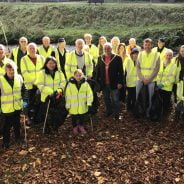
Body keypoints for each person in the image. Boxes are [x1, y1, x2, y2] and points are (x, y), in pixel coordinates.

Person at [0, 62, 28, 148]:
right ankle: (6, 142)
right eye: (9, 69)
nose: (11, 71)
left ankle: (18, 138)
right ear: (5, 70)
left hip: (17, 106)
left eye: (13, 69)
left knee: (17, 124)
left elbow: (24, 90)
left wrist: (25, 100)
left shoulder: (19, 78)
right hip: (6, 108)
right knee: (6, 126)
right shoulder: (1, 80)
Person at [35, 56, 66, 133]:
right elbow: (40, 85)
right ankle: (48, 127)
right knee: (48, 113)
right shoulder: (42, 73)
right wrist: (51, 92)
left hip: (58, 95)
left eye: (54, 63)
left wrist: (58, 91)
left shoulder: (59, 72)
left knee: (61, 111)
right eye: (50, 63)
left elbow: (63, 82)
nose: (52, 65)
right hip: (47, 97)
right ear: (46, 64)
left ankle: (56, 126)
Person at [96, 42, 124, 119]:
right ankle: (109, 111)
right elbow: (98, 71)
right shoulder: (100, 58)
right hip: (104, 84)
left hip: (114, 83)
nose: (107, 50)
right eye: (105, 48)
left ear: (111, 49)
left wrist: (120, 82)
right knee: (106, 99)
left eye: (108, 48)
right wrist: (97, 83)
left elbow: (121, 72)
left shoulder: (117, 58)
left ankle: (117, 114)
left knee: (115, 99)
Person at [20, 43, 45, 125]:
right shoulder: (23, 59)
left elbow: (44, 71)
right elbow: (25, 73)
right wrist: (36, 81)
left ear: (36, 49)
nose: (32, 49)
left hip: (41, 85)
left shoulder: (41, 58)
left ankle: (38, 118)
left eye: (33, 48)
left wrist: (40, 82)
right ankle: (29, 118)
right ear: (27, 49)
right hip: (29, 85)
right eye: (30, 48)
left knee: (40, 102)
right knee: (29, 102)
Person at [65, 69, 93, 136]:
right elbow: (68, 95)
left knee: (82, 117)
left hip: (82, 104)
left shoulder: (85, 84)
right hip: (73, 105)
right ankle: (74, 127)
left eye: (80, 75)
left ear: (82, 75)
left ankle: (81, 126)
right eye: (77, 75)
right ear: (74, 76)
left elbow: (89, 94)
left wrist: (89, 103)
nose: (78, 77)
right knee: (74, 117)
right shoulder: (70, 84)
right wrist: (68, 105)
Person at [136, 38, 160, 117]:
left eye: (149, 45)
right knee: (137, 95)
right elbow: (138, 68)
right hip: (140, 79)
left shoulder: (156, 55)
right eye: (145, 45)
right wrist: (142, 79)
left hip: (151, 80)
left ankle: (148, 112)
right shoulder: (140, 54)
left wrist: (149, 79)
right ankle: (139, 111)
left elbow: (156, 69)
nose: (147, 46)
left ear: (152, 45)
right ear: (143, 45)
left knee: (151, 97)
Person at [157, 49, 177, 114]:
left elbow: (172, 79)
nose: (168, 57)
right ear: (165, 55)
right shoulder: (160, 63)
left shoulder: (174, 66)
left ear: (172, 56)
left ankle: (165, 117)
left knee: (166, 104)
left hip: (167, 88)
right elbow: (157, 75)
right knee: (158, 103)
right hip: (159, 87)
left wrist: (163, 84)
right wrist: (157, 84)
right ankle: (158, 114)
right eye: (167, 55)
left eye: (170, 55)